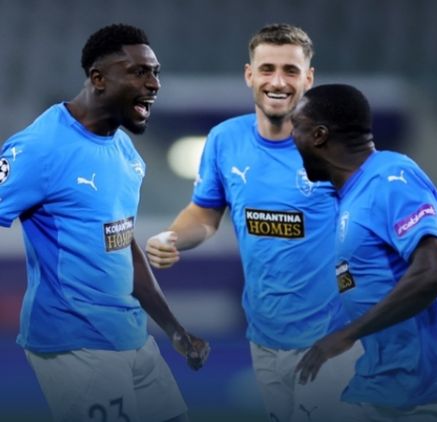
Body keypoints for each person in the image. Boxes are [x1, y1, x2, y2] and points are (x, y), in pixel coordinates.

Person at [146, 24, 362, 422]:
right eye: (267, 69)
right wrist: (173, 236)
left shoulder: (335, 147)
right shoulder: (224, 140)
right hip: (264, 339)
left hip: (332, 341)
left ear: (309, 79)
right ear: (249, 74)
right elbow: (205, 213)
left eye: (290, 70)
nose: (277, 82)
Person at [0, 24, 210, 422]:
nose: (153, 84)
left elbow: (122, 244)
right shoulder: (39, 148)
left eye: (156, 72)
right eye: (139, 72)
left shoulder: (125, 151)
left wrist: (174, 329)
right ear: (98, 78)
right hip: (74, 345)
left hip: (132, 338)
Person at [291, 84, 437, 422]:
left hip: (432, 396)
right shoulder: (350, 193)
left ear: (319, 135)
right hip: (382, 387)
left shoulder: (391, 177)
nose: (291, 138)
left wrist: (346, 335)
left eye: (296, 127)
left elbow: (436, 270)